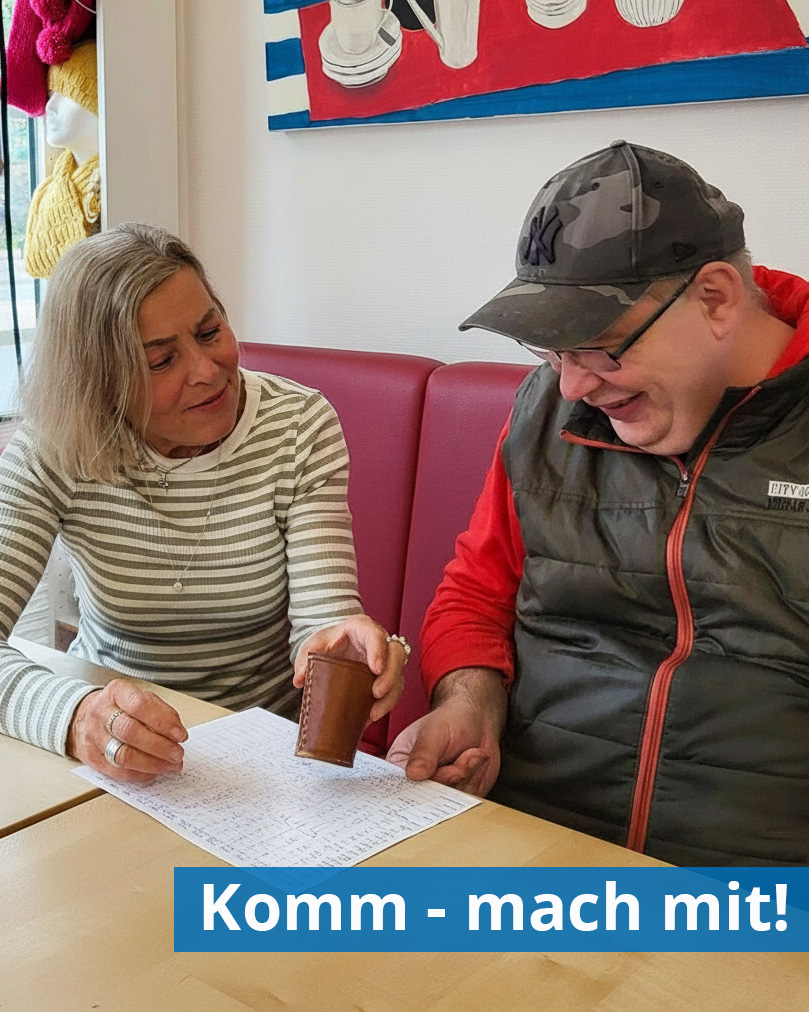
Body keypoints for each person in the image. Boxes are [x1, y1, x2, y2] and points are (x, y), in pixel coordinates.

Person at [388, 140, 809, 865]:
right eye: (550, 352)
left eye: (598, 345)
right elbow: (477, 594)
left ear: (715, 299)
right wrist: (468, 704)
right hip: (524, 846)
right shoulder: (546, 410)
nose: (573, 387)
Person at [0, 223, 407, 782]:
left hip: (262, 757)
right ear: (99, 382)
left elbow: (323, 624)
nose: (207, 370)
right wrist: (74, 717)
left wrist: (345, 650)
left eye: (210, 331)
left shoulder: (298, 426)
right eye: (161, 361)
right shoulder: (55, 444)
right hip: (114, 750)